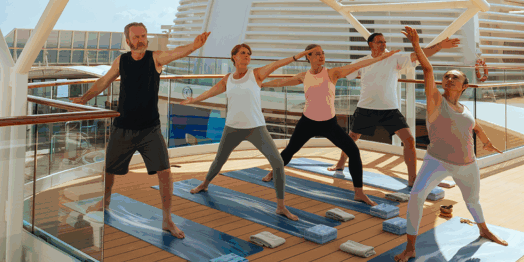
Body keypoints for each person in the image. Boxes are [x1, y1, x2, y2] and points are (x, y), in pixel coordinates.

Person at [71, 22, 210, 239]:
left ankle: (167, 219)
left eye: (143, 36)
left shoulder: (155, 58)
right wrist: (83, 99)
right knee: (109, 169)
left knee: (165, 173)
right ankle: (105, 200)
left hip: (150, 130)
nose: (141, 40)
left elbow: (176, 53)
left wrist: (194, 46)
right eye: (136, 37)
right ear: (128, 41)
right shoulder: (122, 61)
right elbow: (104, 81)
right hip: (122, 127)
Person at [393, 26, 507, 262]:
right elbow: (427, 69)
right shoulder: (436, 101)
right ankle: (411, 246)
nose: (450, 78)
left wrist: (487, 143)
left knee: (472, 201)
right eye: (447, 75)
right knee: (416, 197)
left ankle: (484, 230)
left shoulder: (465, 110)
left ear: (464, 86)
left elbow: (475, 127)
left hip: (468, 164)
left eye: (455, 76)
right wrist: (416, 44)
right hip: (437, 161)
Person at [181, 44, 316, 221]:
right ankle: (205, 184)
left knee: (277, 163)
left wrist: (296, 57)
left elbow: (276, 65)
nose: (247, 56)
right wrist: (194, 100)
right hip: (232, 128)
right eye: (243, 53)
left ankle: (281, 207)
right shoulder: (228, 79)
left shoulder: (256, 74)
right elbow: (210, 92)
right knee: (219, 159)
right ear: (234, 57)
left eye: (249, 54)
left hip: (256, 128)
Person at [260, 44, 399, 206]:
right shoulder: (304, 76)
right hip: (307, 122)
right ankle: (273, 172)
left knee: (353, 151)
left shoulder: (332, 73)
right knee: (290, 150)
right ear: (308, 57)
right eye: (317, 54)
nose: (321, 56)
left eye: (323, 53)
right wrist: (261, 84)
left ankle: (359, 193)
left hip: (328, 124)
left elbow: (357, 65)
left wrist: (381, 58)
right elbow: (280, 82)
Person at [330, 31, 460, 186]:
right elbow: (344, 73)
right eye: (379, 42)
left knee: (409, 140)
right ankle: (340, 164)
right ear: (371, 44)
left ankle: (412, 179)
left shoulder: (394, 57)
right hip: (366, 107)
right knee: (352, 138)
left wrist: (439, 46)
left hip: (389, 109)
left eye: (384, 42)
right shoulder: (363, 61)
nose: (383, 44)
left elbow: (418, 55)